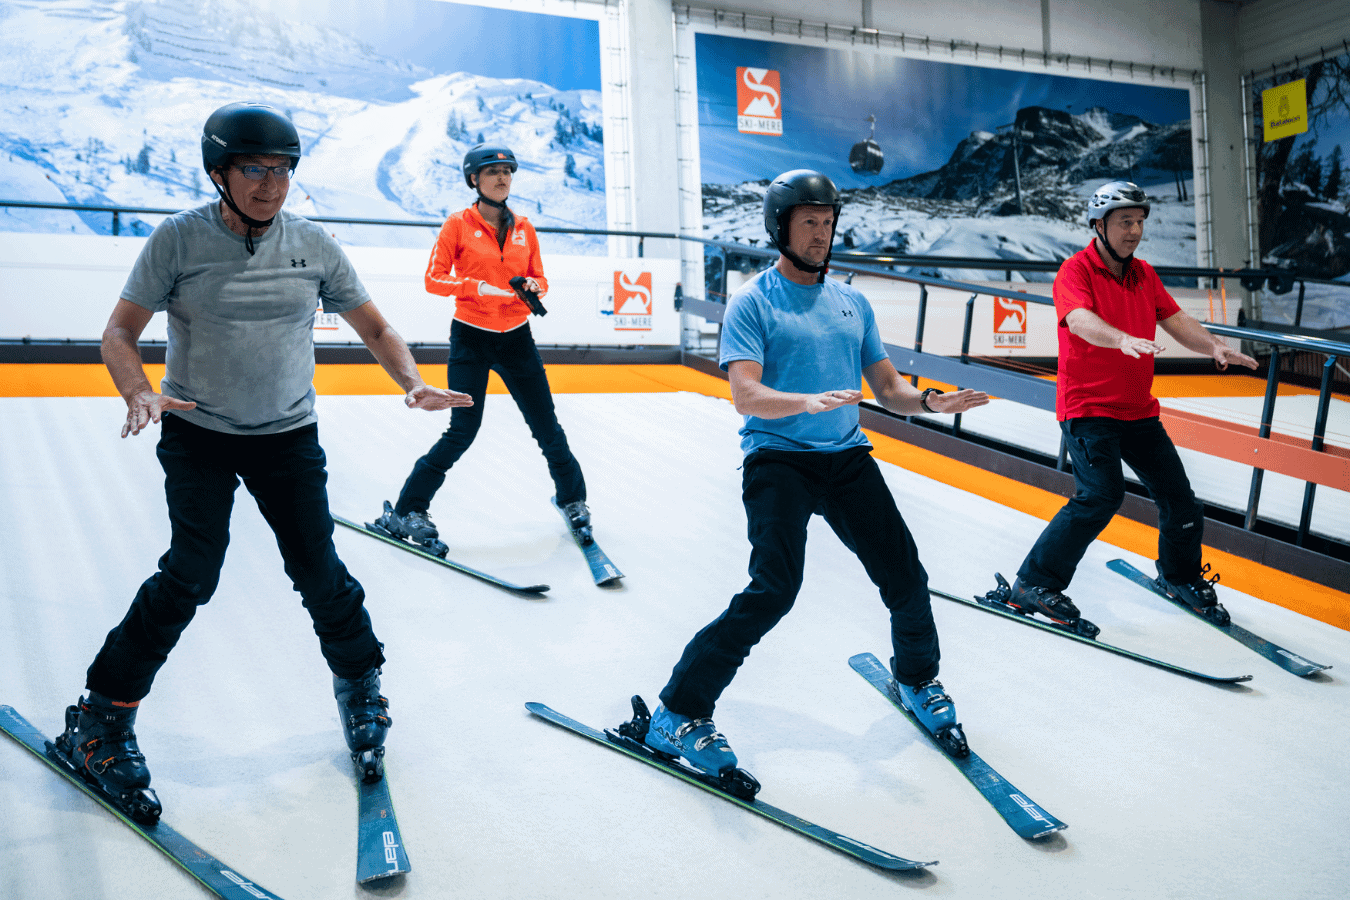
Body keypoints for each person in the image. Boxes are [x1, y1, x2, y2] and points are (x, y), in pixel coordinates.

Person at [52, 101, 471, 823]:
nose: (271, 185)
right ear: (219, 172)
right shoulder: (178, 241)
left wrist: (412, 380)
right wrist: (139, 390)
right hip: (198, 431)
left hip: (287, 435)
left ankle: (359, 681)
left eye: (282, 170)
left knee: (318, 569)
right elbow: (120, 330)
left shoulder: (313, 244)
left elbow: (375, 325)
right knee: (190, 573)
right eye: (254, 169)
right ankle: (100, 718)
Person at [643, 170, 989, 776]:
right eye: (809, 222)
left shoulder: (851, 302)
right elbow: (746, 396)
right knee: (773, 589)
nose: (821, 234)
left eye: (828, 223)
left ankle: (918, 680)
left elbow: (886, 388)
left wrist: (930, 402)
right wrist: (801, 402)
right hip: (778, 458)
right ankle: (678, 712)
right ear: (780, 227)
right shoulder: (755, 301)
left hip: (846, 457)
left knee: (906, 576)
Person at [1005, 180, 1258, 627]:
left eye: (1139, 222)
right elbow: (1079, 321)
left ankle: (1179, 575)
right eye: (1125, 222)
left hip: (1138, 411)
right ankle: (1033, 583)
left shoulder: (1144, 274)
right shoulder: (1075, 271)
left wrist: (1214, 346)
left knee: (1181, 500)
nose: (1135, 231)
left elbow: (1176, 319)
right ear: (1099, 225)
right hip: (1088, 409)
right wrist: (1120, 338)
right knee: (1101, 495)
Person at [372, 143, 590, 552]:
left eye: (508, 171)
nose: (503, 178)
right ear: (474, 179)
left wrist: (533, 286)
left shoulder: (524, 226)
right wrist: (476, 287)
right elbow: (434, 280)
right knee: (462, 431)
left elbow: (540, 277)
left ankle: (573, 500)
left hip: (517, 339)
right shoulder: (458, 224)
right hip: (471, 337)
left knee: (548, 428)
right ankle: (407, 510)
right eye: (493, 172)